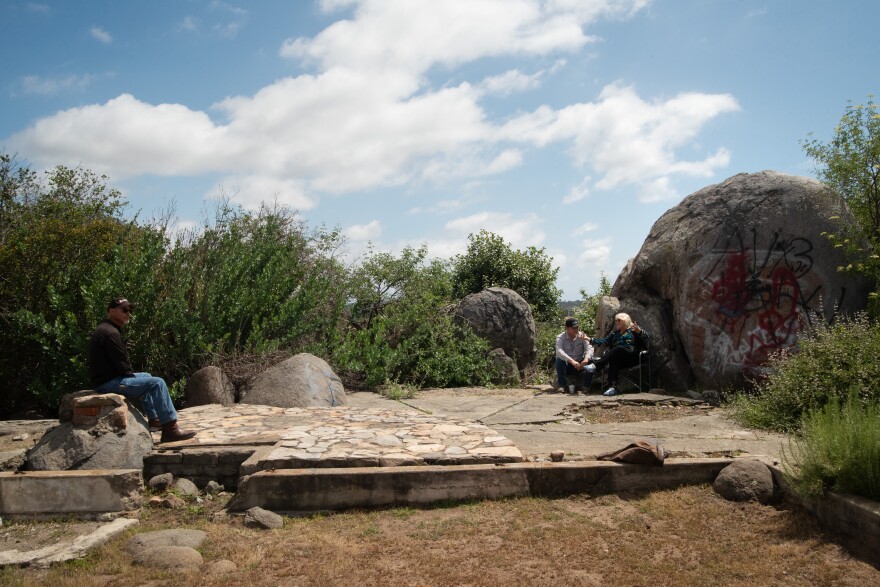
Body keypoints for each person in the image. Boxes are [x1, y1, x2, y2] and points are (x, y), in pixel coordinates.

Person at [87, 296, 195, 442]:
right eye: (124, 310)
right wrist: (130, 377)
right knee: (157, 383)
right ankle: (171, 429)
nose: (128, 313)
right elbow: (122, 364)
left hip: (107, 379)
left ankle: (154, 420)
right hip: (108, 384)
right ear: (111, 311)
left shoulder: (107, 328)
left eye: (129, 310)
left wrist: (133, 377)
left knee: (146, 376)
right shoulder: (110, 332)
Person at [586, 312, 646, 397]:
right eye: (616, 320)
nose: (616, 322)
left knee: (618, 348)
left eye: (619, 320)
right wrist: (589, 339)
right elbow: (603, 342)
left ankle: (596, 366)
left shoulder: (634, 331)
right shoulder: (615, 333)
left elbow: (646, 337)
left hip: (633, 357)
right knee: (613, 360)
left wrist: (639, 331)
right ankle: (612, 388)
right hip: (621, 360)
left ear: (625, 321)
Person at [554, 317, 596, 394]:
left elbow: (589, 348)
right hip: (567, 364)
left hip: (580, 364)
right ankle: (562, 385)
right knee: (559, 359)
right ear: (567, 328)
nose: (576, 330)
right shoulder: (560, 337)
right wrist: (572, 361)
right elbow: (559, 351)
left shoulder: (582, 335)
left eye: (577, 327)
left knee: (591, 362)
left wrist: (586, 359)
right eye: (573, 328)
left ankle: (586, 386)